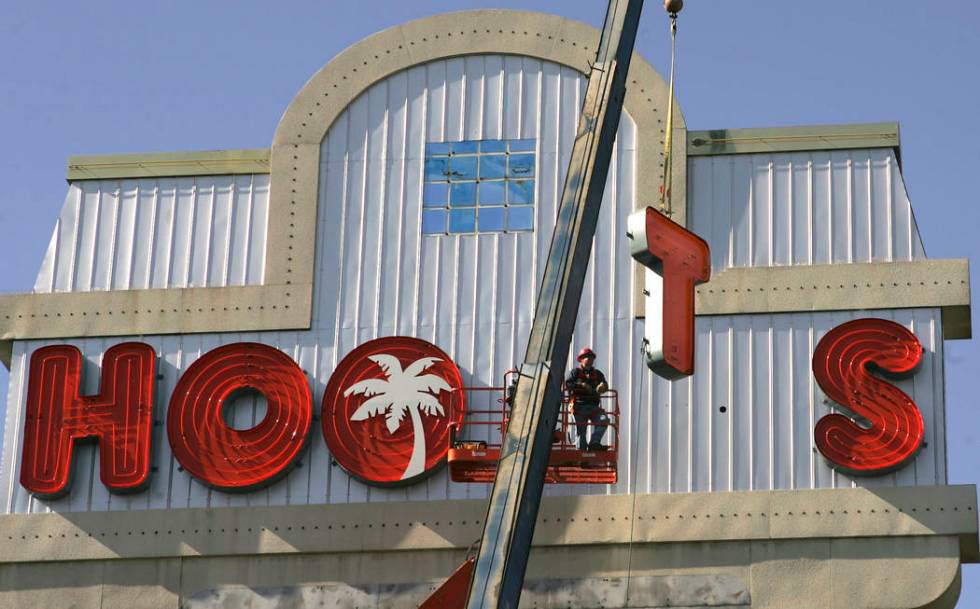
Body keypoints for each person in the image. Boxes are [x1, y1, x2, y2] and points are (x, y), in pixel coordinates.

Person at [565, 347, 609, 450]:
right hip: (578, 406)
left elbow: (604, 384)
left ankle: (594, 442)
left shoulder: (597, 374)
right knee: (581, 432)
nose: (589, 359)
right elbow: (568, 384)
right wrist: (582, 385)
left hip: (593, 407)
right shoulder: (575, 372)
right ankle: (581, 453)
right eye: (586, 357)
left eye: (591, 357)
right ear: (580, 359)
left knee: (604, 420)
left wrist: (604, 386)